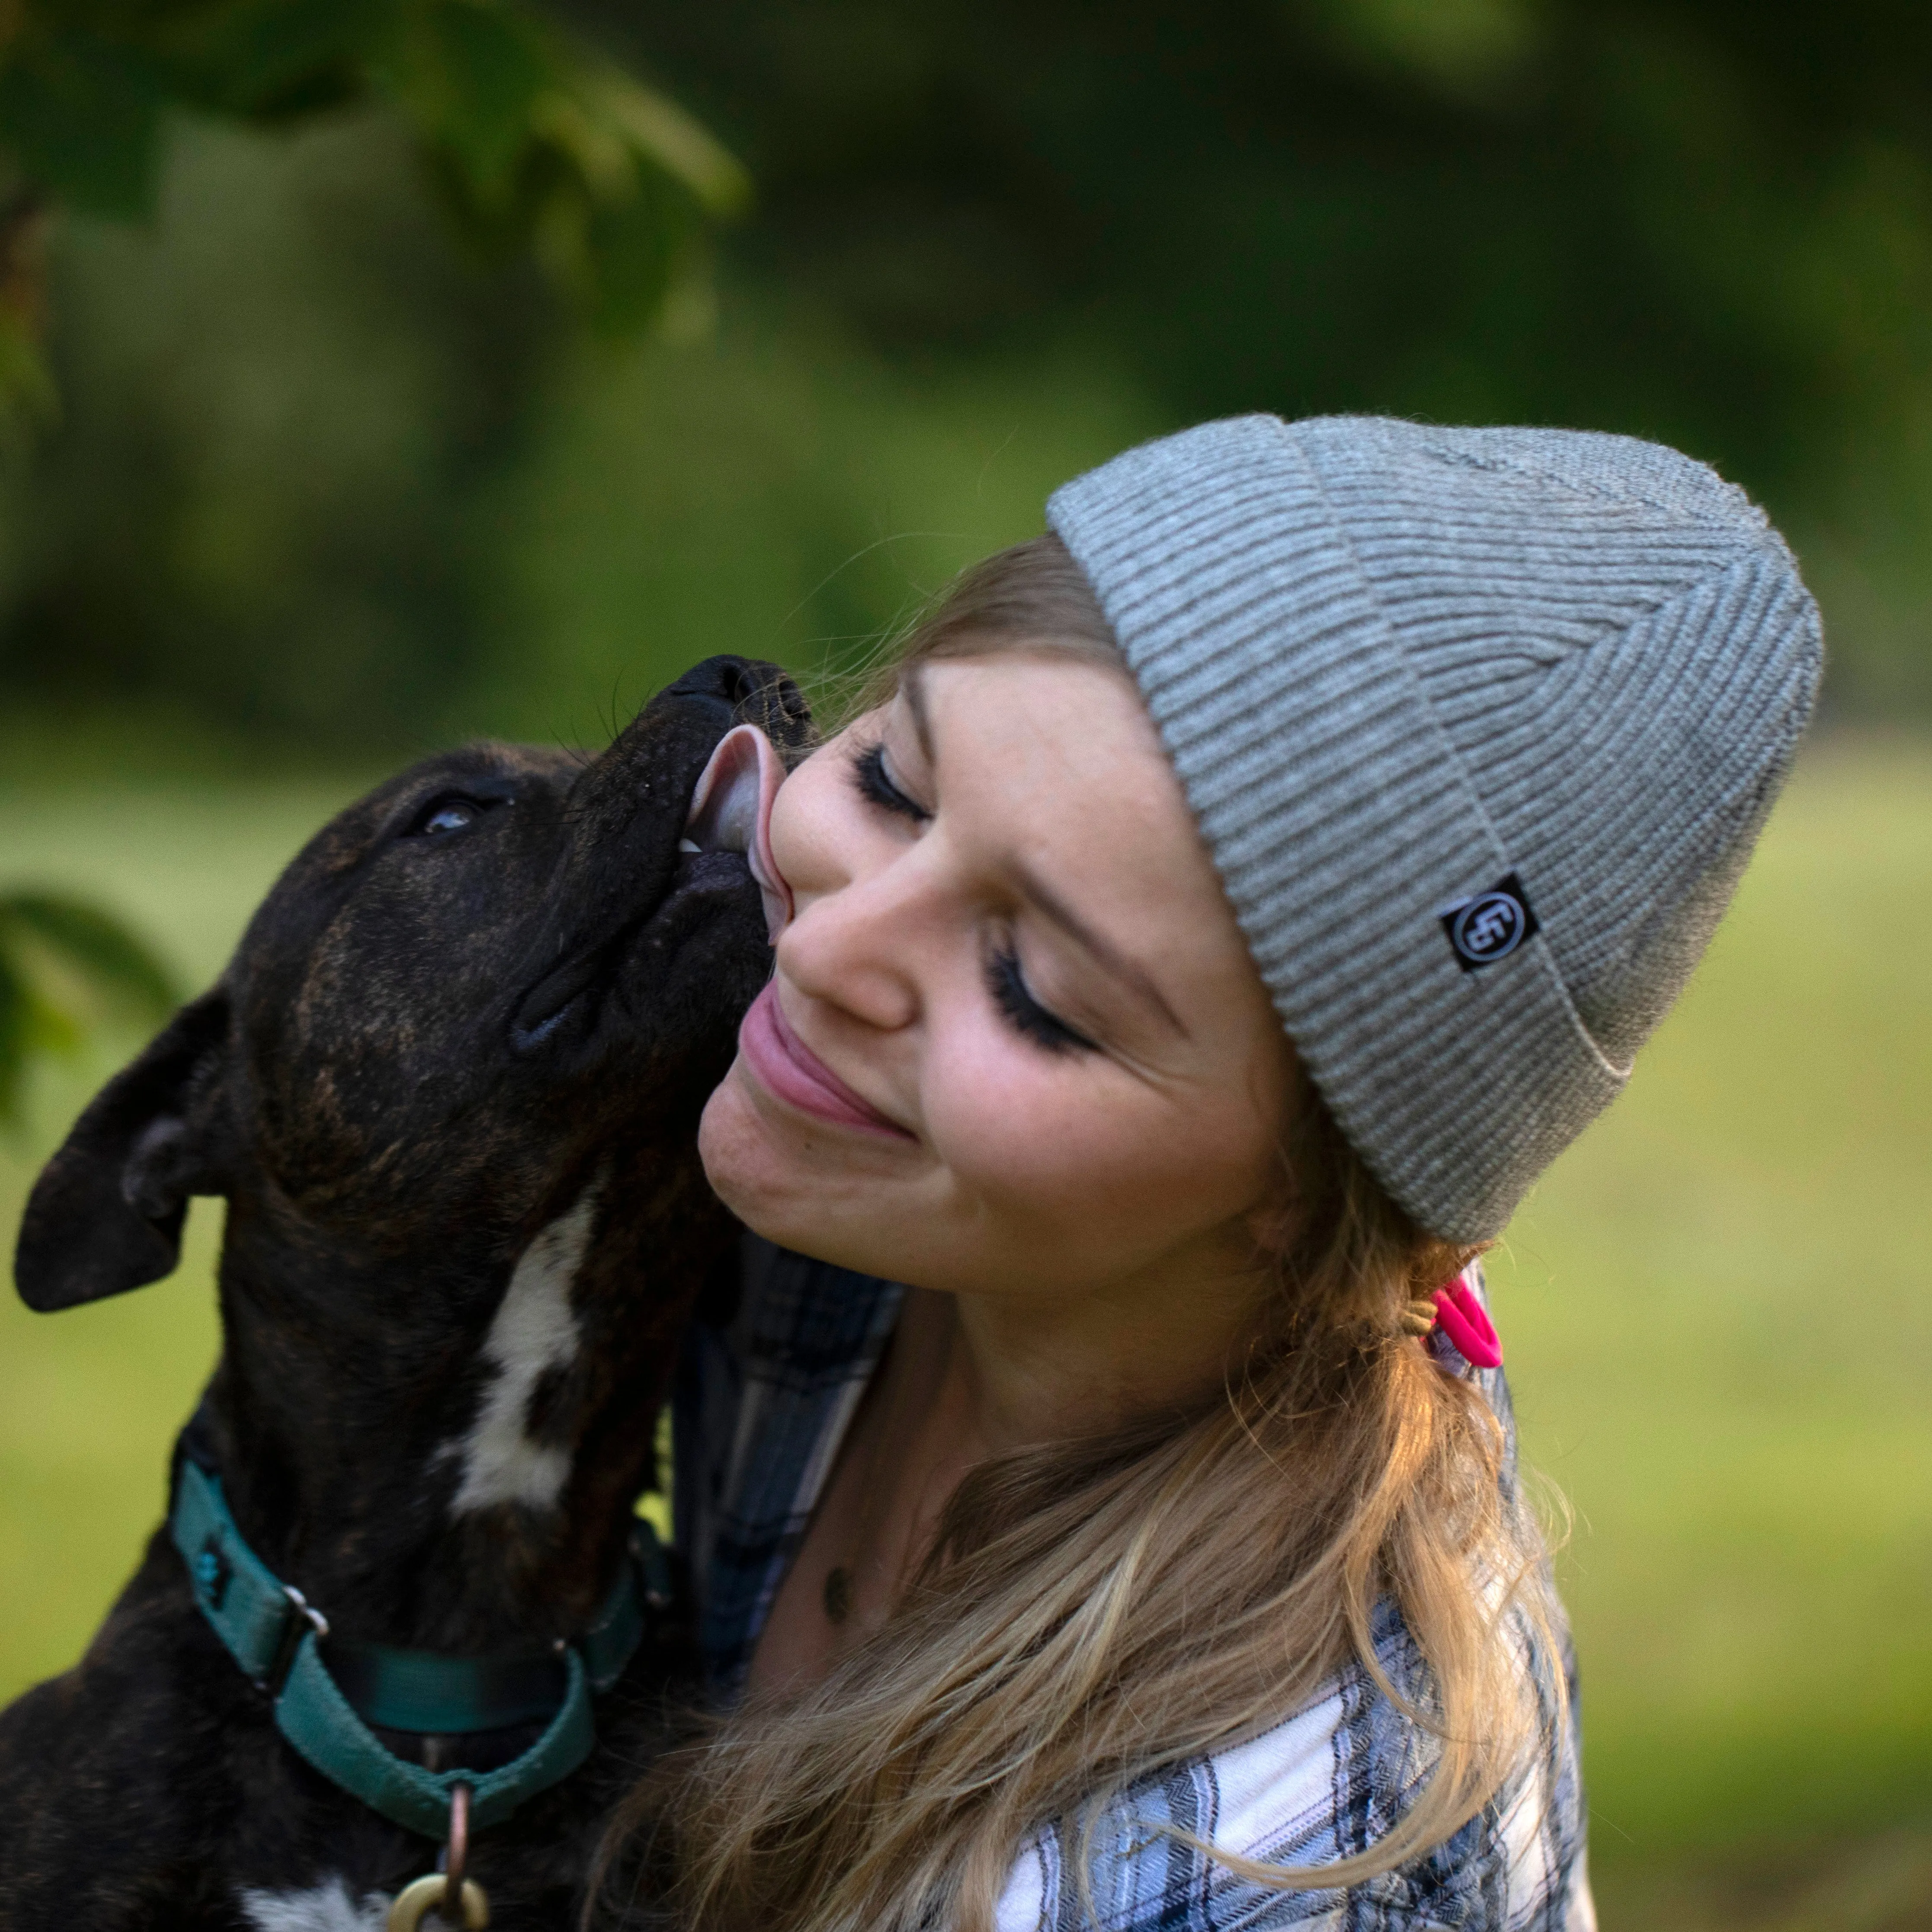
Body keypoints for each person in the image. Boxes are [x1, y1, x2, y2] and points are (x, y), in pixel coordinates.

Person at [604, 414, 1822, 1931]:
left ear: (1315, 1201)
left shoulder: (1246, 1867)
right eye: (898, 785)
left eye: (1038, 993)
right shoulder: (904, 1181)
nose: (828, 950)